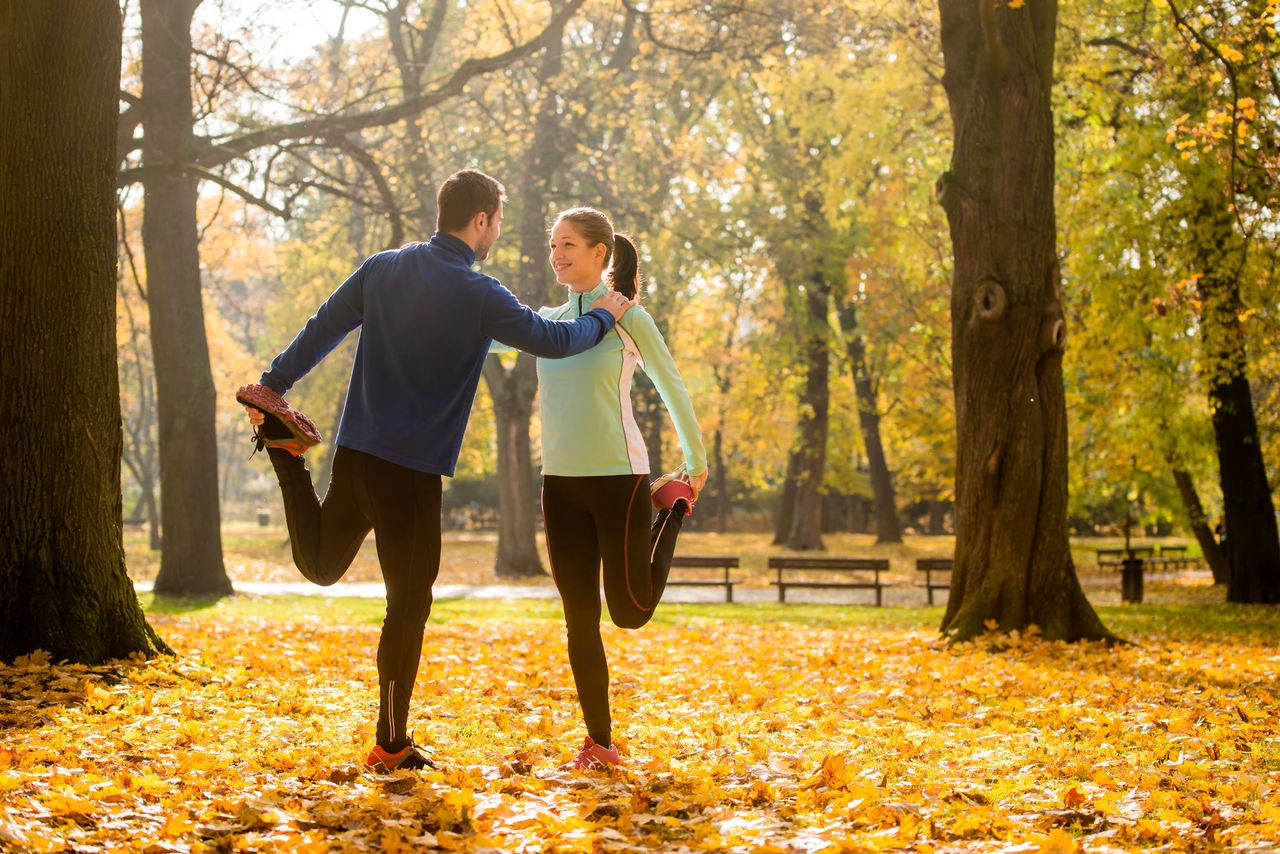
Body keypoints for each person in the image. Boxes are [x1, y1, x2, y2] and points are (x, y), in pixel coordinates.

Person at [236, 170, 635, 773]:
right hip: (411, 478)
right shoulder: (479, 294)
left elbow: (325, 325)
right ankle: (391, 744)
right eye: (497, 221)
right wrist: (604, 313)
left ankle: (289, 457)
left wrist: (274, 384)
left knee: (319, 565)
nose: (497, 232)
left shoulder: (382, 267)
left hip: (357, 456)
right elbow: (555, 341)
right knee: (407, 607)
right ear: (480, 221)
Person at [529, 206, 708, 770]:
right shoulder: (549, 320)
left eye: (569, 246)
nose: (558, 255)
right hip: (559, 484)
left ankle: (671, 509)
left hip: (618, 479)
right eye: (553, 245)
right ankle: (600, 743)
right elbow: (486, 345)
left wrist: (695, 462)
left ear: (599, 253)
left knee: (630, 612)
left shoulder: (630, 318)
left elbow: (671, 385)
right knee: (578, 618)